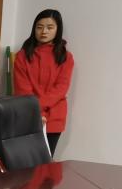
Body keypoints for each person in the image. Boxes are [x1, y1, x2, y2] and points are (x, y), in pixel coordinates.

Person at [13, 9, 75, 156]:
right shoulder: (22, 56)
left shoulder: (66, 57)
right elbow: (23, 89)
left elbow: (61, 88)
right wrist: (36, 113)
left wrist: (40, 111)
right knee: (25, 161)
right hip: (28, 115)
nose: (44, 31)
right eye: (39, 27)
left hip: (54, 117)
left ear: (58, 29)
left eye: (50, 27)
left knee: (46, 162)